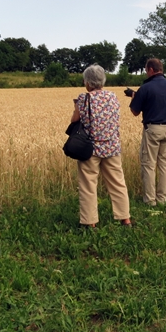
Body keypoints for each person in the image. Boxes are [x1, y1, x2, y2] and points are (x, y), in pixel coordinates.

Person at [70, 65, 131, 228]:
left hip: (90, 148)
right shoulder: (112, 96)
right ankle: (125, 218)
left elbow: (74, 120)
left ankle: (90, 223)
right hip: (112, 146)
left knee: (88, 185)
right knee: (118, 183)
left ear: (88, 82)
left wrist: (76, 106)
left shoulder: (84, 98)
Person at [128, 57, 166, 207]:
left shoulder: (146, 88)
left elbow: (135, 111)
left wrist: (134, 98)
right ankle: (162, 199)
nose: (146, 73)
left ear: (151, 69)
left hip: (153, 129)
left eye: (146, 70)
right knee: (165, 165)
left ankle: (150, 201)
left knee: (149, 165)